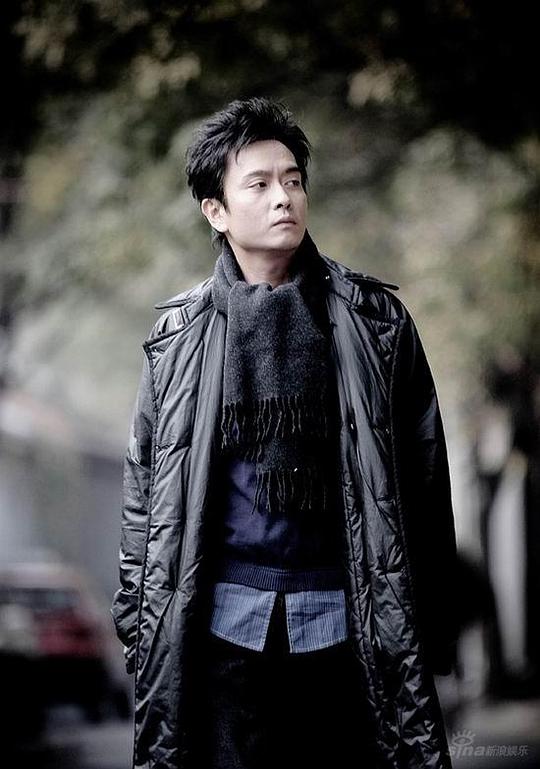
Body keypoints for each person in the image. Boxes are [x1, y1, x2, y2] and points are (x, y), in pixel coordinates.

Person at [111, 97, 459, 769]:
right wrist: (138, 620)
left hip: (347, 630)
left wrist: (431, 621)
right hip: (218, 632)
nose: (284, 198)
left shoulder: (375, 323)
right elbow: (146, 488)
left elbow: (423, 479)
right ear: (215, 210)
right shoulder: (178, 337)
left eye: (293, 180)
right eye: (260, 184)